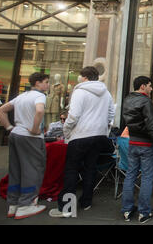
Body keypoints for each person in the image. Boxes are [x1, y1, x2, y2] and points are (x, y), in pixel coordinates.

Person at [49, 66, 115, 218]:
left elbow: (73, 116)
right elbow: (111, 113)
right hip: (98, 135)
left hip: (80, 135)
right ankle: (86, 202)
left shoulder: (79, 91)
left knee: (71, 170)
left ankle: (67, 208)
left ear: (84, 77)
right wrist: (103, 128)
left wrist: (66, 131)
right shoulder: (106, 92)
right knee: (90, 168)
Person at [0, 72, 49, 219]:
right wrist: (34, 128)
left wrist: (8, 128)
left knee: (16, 169)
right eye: (45, 82)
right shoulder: (40, 96)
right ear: (37, 83)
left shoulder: (22, 96)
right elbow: (39, 110)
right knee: (33, 169)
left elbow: (0, 110)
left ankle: (13, 204)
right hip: (31, 137)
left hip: (15, 134)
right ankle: (26, 204)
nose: (48, 84)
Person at [120, 76, 153, 223]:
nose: (151, 88)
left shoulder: (127, 100)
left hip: (132, 142)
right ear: (142, 86)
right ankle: (144, 212)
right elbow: (151, 126)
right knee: (146, 177)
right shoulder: (146, 101)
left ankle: (127, 210)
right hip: (146, 145)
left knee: (130, 175)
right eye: (149, 86)